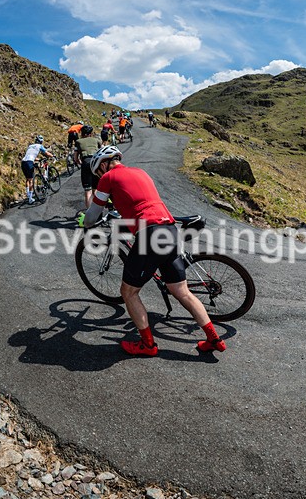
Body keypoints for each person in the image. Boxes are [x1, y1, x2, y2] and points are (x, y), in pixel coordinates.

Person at [78, 146, 227, 356]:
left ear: (103, 165)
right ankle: (214, 339)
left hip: (150, 234)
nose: (99, 176)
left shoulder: (108, 177)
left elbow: (92, 215)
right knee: (182, 291)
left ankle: (148, 345)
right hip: (169, 228)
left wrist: (86, 223)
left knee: (129, 292)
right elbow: (139, 202)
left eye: (98, 172)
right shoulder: (140, 172)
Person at [73, 125, 102, 209]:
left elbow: (75, 158)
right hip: (96, 163)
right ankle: (99, 210)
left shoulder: (78, 141)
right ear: (90, 133)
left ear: (82, 133)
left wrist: (80, 162)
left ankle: (90, 213)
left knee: (88, 191)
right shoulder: (96, 140)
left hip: (86, 162)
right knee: (95, 189)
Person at [20, 135, 53, 204]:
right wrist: (53, 156)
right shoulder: (40, 146)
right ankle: (30, 199)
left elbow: (31, 155)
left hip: (23, 162)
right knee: (31, 180)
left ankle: (28, 195)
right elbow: (46, 153)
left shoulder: (30, 146)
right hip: (29, 162)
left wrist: (39, 159)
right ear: (41, 142)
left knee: (27, 179)